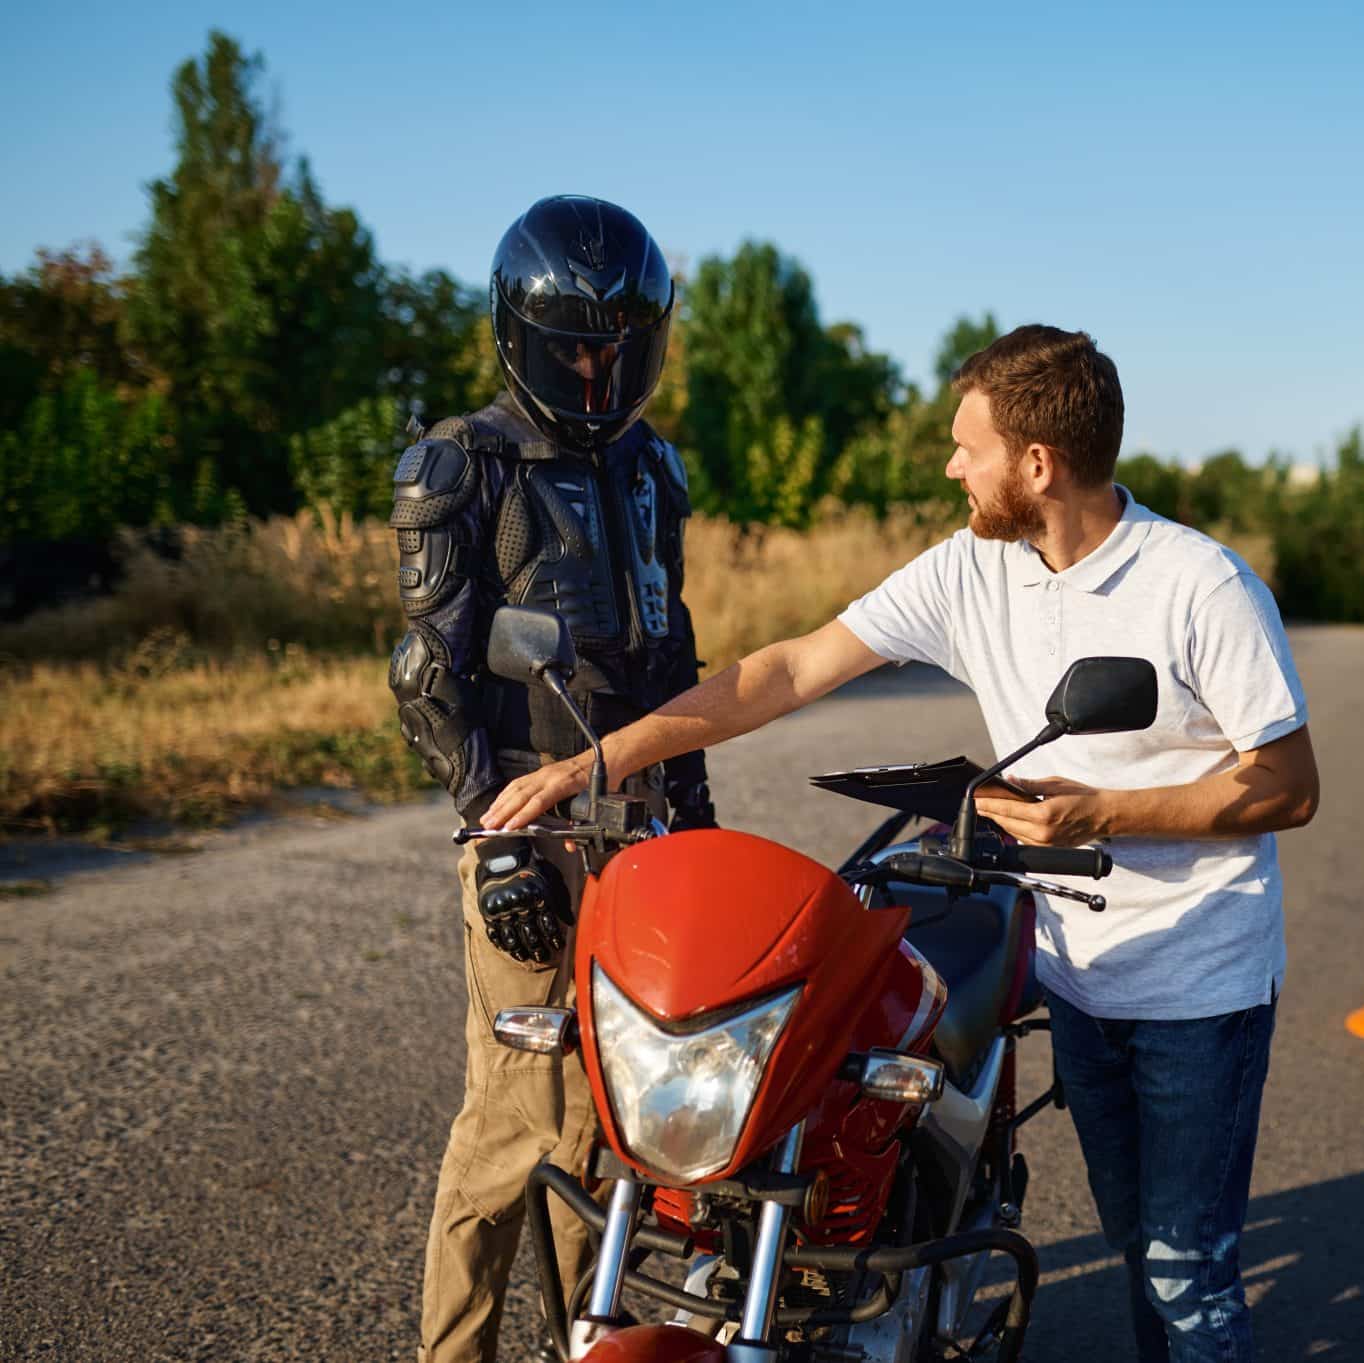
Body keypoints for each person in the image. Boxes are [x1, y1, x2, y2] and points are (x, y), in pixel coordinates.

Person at [482, 324, 1318, 1361]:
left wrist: (1099, 813)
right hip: (1074, 969)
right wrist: (601, 760)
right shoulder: (975, 568)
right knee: (1132, 1235)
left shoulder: (1200, 586)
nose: (949, 465)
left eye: (966, 446)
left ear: (1036, 463)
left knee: (1183, 1268)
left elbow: (1287, 786)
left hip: (1197, 981)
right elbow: (789, 669)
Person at [389, 194, 717, 1363]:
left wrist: (698, 820)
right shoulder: (459, 460)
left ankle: (591, 1340)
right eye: (576, 340)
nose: (595, 364)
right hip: (527, 812)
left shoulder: (652, 468)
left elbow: (672, 652)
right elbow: (427, 670)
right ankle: (454, 1352)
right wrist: (493, 839)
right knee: (512, 1121)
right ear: (520, 332)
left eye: (618, 344)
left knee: (621, 1115)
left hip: (641, 823)